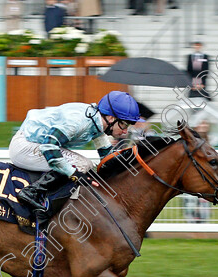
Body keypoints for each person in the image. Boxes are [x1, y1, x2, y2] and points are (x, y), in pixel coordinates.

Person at [11, 90, 142, 215]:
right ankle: (31, 192)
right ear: (111, 118)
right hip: (25, 146)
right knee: (82, 164)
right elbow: (49, 146)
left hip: (36, 143)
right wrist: (73, 174)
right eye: (124, 125)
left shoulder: (96, 121)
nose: (125, 131)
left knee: (90, 167)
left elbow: (108, 157)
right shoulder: (79, 122)